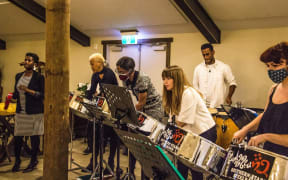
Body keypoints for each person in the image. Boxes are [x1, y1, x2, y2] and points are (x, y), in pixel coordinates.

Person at [233, 42, 288, 156]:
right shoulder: (273, 89)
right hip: (270, 154)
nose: (271, 70)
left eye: (275, 65)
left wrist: (266, 136)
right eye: (268, 66)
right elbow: (266, 115)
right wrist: (245, 129)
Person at [162, 65, 216, 179]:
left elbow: (181, 122)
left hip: (204, 131)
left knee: (194, 168)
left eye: (168, 79)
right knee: (181, 166)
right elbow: (174, 120)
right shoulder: (173, 94)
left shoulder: (188, 93)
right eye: (163, 79)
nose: (165, 82)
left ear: (176, 79)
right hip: (190, 132)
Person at [116, 56, 163, 178]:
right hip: (141, 107)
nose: (120, 74)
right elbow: (127, 96)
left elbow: (141, 103)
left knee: (147, 139)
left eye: (122, 72)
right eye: (118, 71)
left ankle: (149, 173)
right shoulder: (125, 79)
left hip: (154, 107)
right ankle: (130, 172)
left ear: (130, 70)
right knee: (134, 139)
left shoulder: (142, 78)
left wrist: (131, 113)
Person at [85, 53, 119, 175]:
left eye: (92, 63)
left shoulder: (109, 74)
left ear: (100, 63)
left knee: (111, 137)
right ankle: (93, 161)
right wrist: (87, 96)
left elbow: (109, 92)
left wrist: (98, 95)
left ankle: (111, 163)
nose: (91, 66)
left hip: (112, 110)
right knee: (97, 136)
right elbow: (93, 90)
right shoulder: (95, 75)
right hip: (101, 109)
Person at [12, 52, 44, 173]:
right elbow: (15, 92)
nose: (26, 62)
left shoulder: (39, 77)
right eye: (25, 60)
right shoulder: (18, 76)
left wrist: (28, 90)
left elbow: (42, 94)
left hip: (34, 112)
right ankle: (17, 161)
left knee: (34, 138)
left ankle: (33, 160)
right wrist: (12, 96)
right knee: (18, 138)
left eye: (29, 60)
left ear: (34, 63)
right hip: (21, 111)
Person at [193, 43, 237, 108]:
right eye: (203, 55)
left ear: (213, 52)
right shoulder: (198, 68)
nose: (205, 57)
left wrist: (229, 97)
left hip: (218, 106)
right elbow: (195, 87)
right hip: (202, 107)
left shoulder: (223, 67)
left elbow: (232, 83)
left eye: (207, 54)